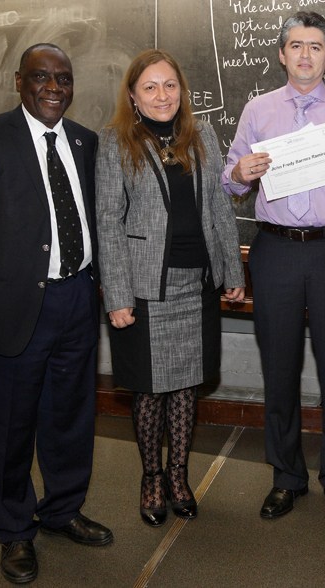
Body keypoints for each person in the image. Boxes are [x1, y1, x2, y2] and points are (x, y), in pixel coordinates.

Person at [0, 43, 112, 584]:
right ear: (19, 81)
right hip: (12, 311)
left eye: (63, 78)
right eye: (41, 77)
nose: (54, 88)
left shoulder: (87, 142)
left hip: (77, 302)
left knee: (70, 417)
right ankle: (14, 530)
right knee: (8, 426)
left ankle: (62, 509)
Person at [221, 11, 325, 522]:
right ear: (282, 54)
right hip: (277, 250)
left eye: (315, 46)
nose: (305, 54)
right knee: (280, 368)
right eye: (296, 45)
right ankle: (286, 476)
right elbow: (231, 178)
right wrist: (239, 172)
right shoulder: (258, 111)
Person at [96, 49, 245, 528]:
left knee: (185, 385)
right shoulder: (116, 141)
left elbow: (221, 210)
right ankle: (152, 479)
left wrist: (232, 273)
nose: (163, 95)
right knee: (149, 390)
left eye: (170, 85)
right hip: (144, 286)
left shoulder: (201, 136)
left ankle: (179, 477)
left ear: (181, 91)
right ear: (134, 98)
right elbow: (108, 221)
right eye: (151, 88)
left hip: (195, 282)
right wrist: (116, 295)